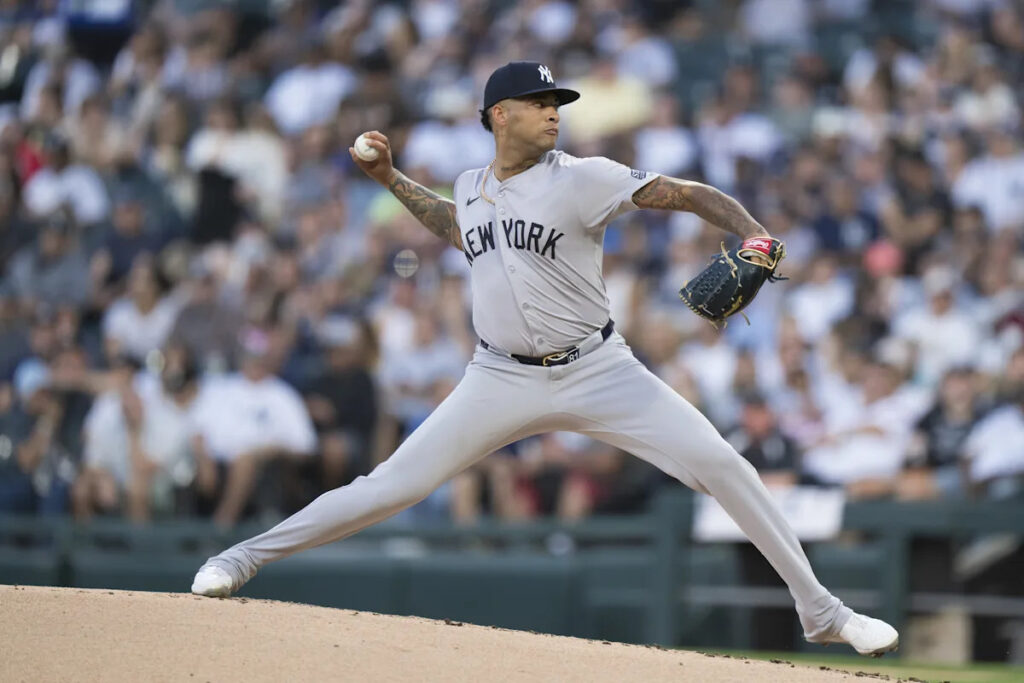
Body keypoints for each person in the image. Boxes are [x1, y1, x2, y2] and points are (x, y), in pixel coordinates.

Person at [191, 61, 898, 657]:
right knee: (390, 487)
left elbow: (687, 193)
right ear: (500, 115)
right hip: (498, 375)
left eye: (557, 102)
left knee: (722, 464)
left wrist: (755, 232)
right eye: (539, 102)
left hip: (600, 368)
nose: (554, 112)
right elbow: (457, 225)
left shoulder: (584, 176)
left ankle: (823, 610)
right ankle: (242, 556)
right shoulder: (470, 185)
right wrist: (389, 179)